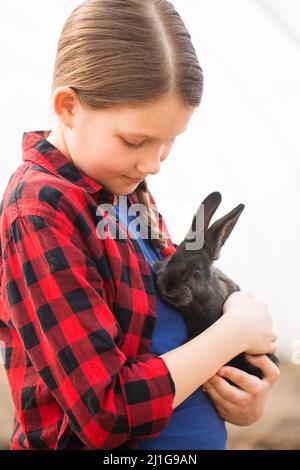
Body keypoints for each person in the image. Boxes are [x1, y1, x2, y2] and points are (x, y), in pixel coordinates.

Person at [0, 0, 279, 450]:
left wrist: (244, 396)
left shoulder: (123, 188)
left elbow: (168, 318)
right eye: (135, 140)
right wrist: (233, 334)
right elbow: (105, 412)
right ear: (68, 106)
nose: (153, 163)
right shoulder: (39, 211)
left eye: (169, 142)